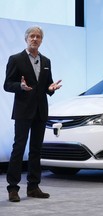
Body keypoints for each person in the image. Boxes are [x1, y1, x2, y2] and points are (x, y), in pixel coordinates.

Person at [3, 26, 62, 202]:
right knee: (19, 148)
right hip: (23, 110)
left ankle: (33, 186)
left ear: (41, 40)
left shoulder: (46, 61)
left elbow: (46, 86)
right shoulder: (16, 59)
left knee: (36, 149)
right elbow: (7, 84)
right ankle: (13, 188)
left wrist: (51, 89)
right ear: (26, 38)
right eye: (32, 36)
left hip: (40, 111)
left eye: (38, 36)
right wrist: (19, 87)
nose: (35, 39)